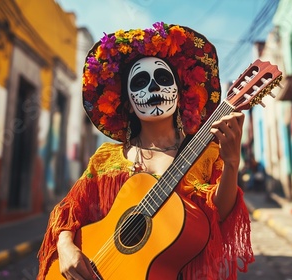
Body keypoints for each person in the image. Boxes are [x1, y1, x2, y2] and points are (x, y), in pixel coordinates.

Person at [37, 22, 254, 280]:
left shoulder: (204, 154)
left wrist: (231, 164)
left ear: (180, 94)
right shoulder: (106, 159)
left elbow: (219, 215)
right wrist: (65, 246)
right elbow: (70, 210)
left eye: (163, 79)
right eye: (140, 81)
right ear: (127, 104)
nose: (153, 88)